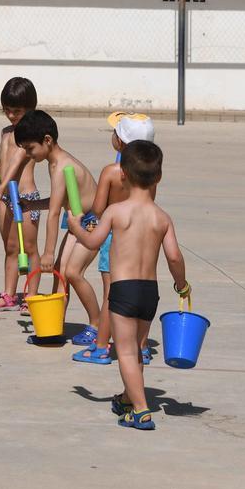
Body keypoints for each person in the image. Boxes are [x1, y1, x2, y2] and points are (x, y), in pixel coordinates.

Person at [67, 140, 189, 430]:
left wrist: (75, 228)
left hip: (123, 289)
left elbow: (93, 242)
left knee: (124, 352)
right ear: (158, 177)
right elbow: (173, 256)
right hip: (150, 291)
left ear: (122, 173)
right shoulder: (162, 218)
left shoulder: (116, 212)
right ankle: (128, 396)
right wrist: (182, 284)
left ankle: (140, 410)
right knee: (136, 349)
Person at [72, 112, 156, 365]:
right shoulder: (150, 176)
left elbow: (98, 209)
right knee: (141, 292)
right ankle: (141, 347)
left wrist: (81, 221)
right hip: (140, 237)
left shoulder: (111, 172)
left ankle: (100, 347)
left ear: (120, 142)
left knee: (112, 295)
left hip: (113, 238)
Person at [11, 110, 100, 344]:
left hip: (92, 223)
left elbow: (54, 213)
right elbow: (56, 201)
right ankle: (54, 327)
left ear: (47, 140)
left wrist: (47, 253)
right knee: (62, 273)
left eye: (30, 148)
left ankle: (97, 324)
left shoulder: (61, 166)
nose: (28, 154)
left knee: (72, 272)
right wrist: (32, 204)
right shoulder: (55, 163)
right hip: (78, 222)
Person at [0, 77, 41, 312]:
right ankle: (9, 294)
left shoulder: (30, 133)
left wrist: (2, 183)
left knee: (30, 248)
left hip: (26, 199)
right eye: (7, 110)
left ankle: (32, 295)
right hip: (5, 197)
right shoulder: (6, 132)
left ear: (30, 108)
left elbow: (19, 161)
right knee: (10, 248)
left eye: (17, 111)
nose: (11, 116)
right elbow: (6, 160)